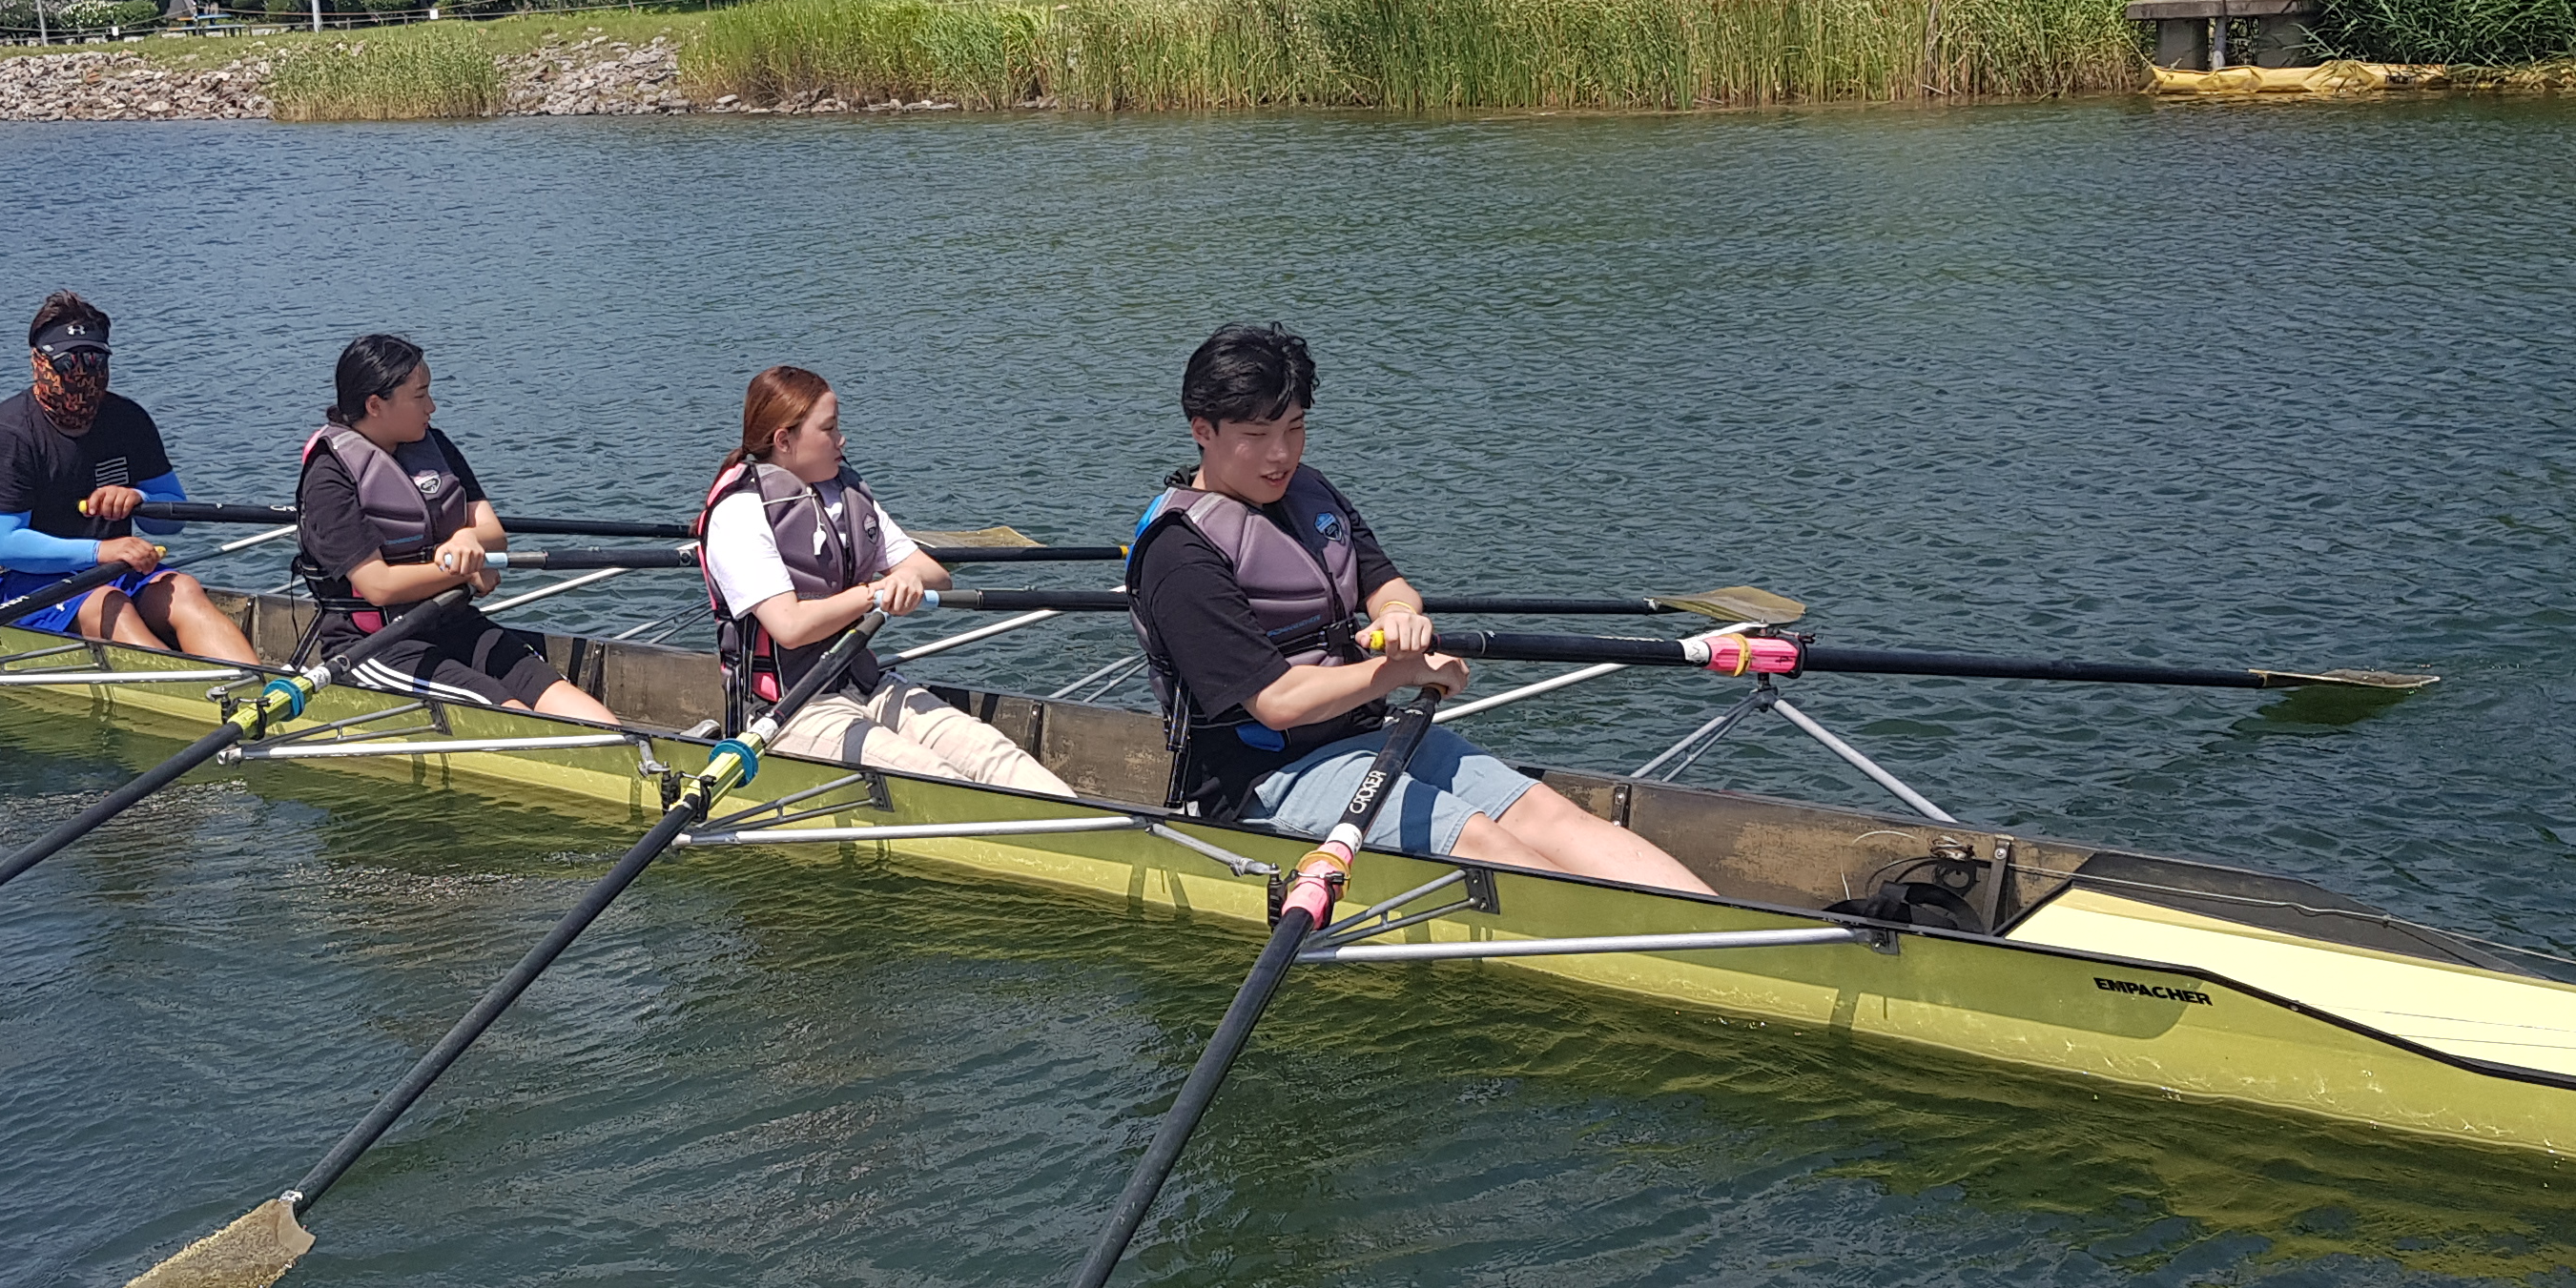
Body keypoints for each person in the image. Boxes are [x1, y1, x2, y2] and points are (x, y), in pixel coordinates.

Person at [1124, 323, 1714, 890]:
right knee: (1485, 843)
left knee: (1550, 817)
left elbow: (1385, 582)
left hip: (1368, 737)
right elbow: (1276, 704)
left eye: (1296, 427)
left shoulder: (1309, 491)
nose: (1281, 454)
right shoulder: (1179, 554)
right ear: (1203, 430)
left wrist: (1399, 616)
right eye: (1256, 435)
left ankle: (1719, 927)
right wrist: (1403, 669)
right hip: (1264, 779)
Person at [693, 367, 1073, 794]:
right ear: (784, 440)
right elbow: (791, 627)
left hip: (864, 683)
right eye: (829, 429)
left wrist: (906, 581)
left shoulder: (845, 494)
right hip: (786, 709)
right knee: (932, 775)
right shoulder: (740, 514)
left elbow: (935, 575)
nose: (842, 440)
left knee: (993, 754)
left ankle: (1094, 826)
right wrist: (873, 592)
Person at [294, 335, 619, 722]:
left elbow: (492, 533)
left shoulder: (435, 446)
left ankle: (633, 753)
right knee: (509, 710)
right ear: (375, 405)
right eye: (420, 396)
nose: (431, 407)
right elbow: (378, 586)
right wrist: (460, 566)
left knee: (551, 688)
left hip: (452, 619)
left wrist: (466, 538)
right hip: (376, 644)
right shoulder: (329, 478)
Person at [0, 291, 257, 664]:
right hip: (8, 581)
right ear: (39, 363)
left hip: (108, 568)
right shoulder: (8, 436)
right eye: (68, 363)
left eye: (95, 359)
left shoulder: (127, 420)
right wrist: (100, 551)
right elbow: (1, 545)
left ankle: (256, 689)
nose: (83, 373)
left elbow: (174, 518)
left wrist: (141, 501)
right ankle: (200, 694)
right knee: (106, 604)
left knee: (183, 588)